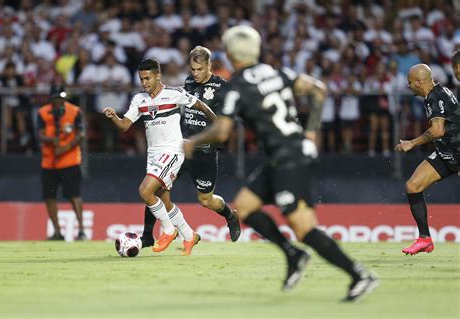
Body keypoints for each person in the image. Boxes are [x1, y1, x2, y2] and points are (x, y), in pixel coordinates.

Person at [184, 26, 378, 301]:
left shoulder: (237, 87)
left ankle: (359, 274)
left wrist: (193, 141)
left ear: (229, 54)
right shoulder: (277, 72)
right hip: (286, 153)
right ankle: (293, 254)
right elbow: (319, 90)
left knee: (303, 228)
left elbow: (223, 131)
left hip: (289, 158)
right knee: (246, 207)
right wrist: (310, 134)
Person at [103, 58, 218, 255]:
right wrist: (114, 116)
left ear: (158, 76)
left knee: (145, 191)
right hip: (153, 155)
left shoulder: (174, 94)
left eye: (148, 78)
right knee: (163, 200)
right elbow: (124, 126)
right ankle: (190, 236)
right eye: (141, 79)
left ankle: (168, 230)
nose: (144, 83)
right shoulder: (139, 99)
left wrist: (218, 125)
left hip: (172, 151)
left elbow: (200, 105)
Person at [140, 46, 241, 248]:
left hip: (204, 151)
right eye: (192, 69)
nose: (195, 73)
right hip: (180, 148)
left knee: (206, 200)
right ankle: (147, 236)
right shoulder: (188, 82)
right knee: (156, 186)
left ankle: (230, 215)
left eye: (199, 69)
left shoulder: (223, 87)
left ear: (209, 65)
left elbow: (227, 122)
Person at [395, 64, 460, 255]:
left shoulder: (435, 97)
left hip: (457, 152)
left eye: (410, 82)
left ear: (419, 82)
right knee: (413, 186)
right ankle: (425, 239)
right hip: (446, 153)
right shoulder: (437, 92)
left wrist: (412, 143)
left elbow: (438, 131)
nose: (408, 85)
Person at [37, 85, 86, 240]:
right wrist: (52, 140)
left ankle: (81, 231)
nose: (57, 101)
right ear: (50, 99)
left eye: (60, 98)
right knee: (49, 197)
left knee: (74, 195)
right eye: (54, 99)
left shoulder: (75, 111)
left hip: (69, 160)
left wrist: (66, 147)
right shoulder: (43, 112)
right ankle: (57, 232)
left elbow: (81, 133)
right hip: (49, 161)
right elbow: (39, 134)